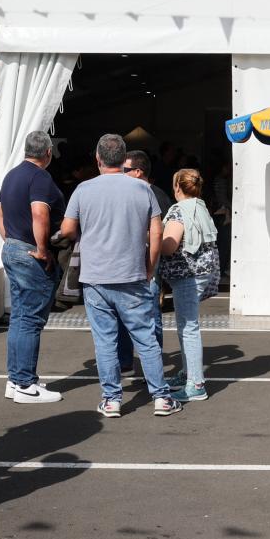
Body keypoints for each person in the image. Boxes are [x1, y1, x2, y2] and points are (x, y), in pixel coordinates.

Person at [59, 133, 179, 419]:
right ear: (123, 158)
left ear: (98, 159)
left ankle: (112, 399)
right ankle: (161, 397)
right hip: (132, 274)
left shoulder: (83, 190)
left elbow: (66, 229)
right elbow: (157, 232)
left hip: (96, 276)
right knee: (146, 337)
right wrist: (149, 267)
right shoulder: (142, 189)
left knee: (105, 340)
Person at [0, 131, 65, 405]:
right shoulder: (40, 177)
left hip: (13, 247)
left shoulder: (12, 174)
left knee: (20, 317)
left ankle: (16, 379)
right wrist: (41, 248)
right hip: (29, 251)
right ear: (48, 153)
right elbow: (39, 212)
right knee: (31, 319)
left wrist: (9, 238)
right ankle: (25, 382)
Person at [158, 168, 220, 402]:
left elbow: (169, 246)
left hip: (187, 275)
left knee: (188, 328)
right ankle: (188, 374)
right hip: (202, 273)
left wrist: (151, 237)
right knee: (187, 326)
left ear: (177, 187)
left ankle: (196, 384)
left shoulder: (178, 210)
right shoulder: (201, 207)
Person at [119, 149, 168, 377]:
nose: (120, 173)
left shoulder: (155, 195)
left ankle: (152, 363)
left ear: (138, 172)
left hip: (148, 260)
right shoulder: (130, 192)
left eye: (125, 170)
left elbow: (163, 232)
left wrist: (151, 264)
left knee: (149, 313)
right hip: (130, 260)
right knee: (125, 311)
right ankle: (126, 361)